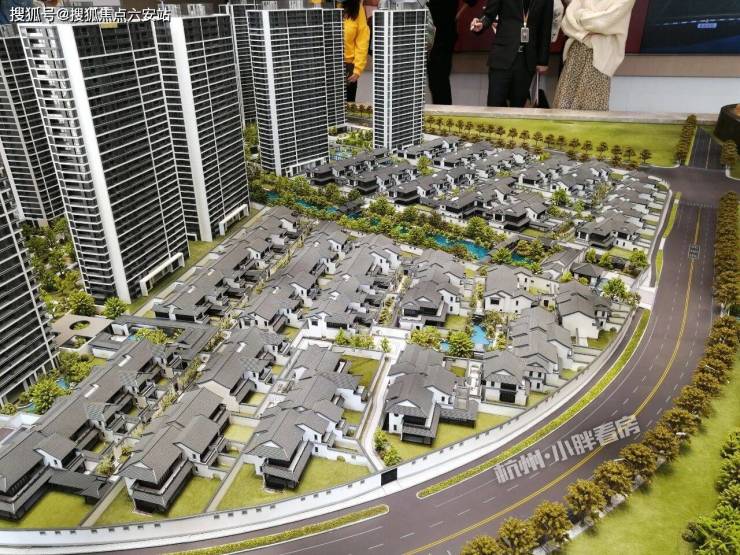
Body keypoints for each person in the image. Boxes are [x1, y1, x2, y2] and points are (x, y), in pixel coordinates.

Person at [553, 0, 636, 111]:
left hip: (600, 58)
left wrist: (579, 16)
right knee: (562, 106)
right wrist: (588, 25)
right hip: (575, 52)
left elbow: (603, 23)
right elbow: (567, 21)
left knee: (590, 109)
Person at [470, 0, 553, 108]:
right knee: (495, 104)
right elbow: (489, 14)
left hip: (527, 59)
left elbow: (546, 26)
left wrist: (543, 60)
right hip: (502, 55)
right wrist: (481, 23)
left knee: (518, 107)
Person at [427, 0, 477, 105]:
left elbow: (472, 1)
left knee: (439, 82)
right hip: (425, 35)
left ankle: (443, 112)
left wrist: (458, 14)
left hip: (443, 37)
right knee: (434, 81)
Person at [342, 0, 371, 103]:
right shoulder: (325, 5)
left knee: (347, 106)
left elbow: (362, 40)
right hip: (325, 65)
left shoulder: (357, 9)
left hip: (347, 66)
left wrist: (358, 69)